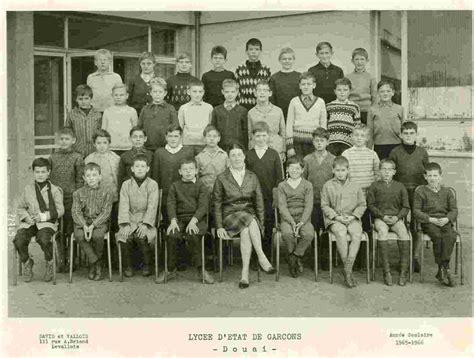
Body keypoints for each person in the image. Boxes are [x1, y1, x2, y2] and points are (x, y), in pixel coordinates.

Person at [213, 143, 276, 289]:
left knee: (247, 230)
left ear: (244, 156)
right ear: (228, 158)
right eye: (233, 155)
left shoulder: (252, 176)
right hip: (230, 216)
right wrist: (219, 226)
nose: (236, 158)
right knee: (250, 220)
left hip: (248, 216)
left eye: (239, 155)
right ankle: (261, 256)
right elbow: (216, 204)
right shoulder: (221, 178)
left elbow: (259, 202)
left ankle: (244, 275)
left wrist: (261, 224)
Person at [160, 159, 214, 284]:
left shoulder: (201, 186)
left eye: (191, 169)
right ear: (180, 171)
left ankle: (201, 270)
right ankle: (171, 269)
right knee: (172, 235)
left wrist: (194, 221)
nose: (188, 172)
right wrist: (173, 221)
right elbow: (171, 204)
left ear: (196, 170)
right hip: (179, 219)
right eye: (185, 169)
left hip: (197, 219)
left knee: (193, 235)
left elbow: (202, 206)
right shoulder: (175, 186)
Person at [13, 158, 64, 282]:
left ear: (48, 172)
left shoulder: (55, 190)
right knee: (19, 240)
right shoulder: (28, 189)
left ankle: (49, 261)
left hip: (47, 223)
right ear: (33, 173)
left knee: (44, 239)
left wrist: (44, 216)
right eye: (37, 172)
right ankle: (27, 262)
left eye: (43, 172)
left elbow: (60, 210)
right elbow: (20, 207)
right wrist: (26, 217)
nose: (40, 175)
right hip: (30, 222)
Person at [389, 121, 429, 272]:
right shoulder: (395, 152)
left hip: (418, 192)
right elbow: (391, 173)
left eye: (412, 133)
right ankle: (403, 258)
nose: (408, 136)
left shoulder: (422, 152)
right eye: (405, 133)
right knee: (402, 225)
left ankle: (415, 258)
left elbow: (427, 174)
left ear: (416, 135)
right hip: (401, 192)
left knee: (416, 226)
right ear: (400, 135)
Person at [321, 156, 366, 288]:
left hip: (352, 218)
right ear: (333, 170)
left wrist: (354, 216)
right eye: (337, 170)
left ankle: (347, 269)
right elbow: (325, 205)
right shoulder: (327, 185)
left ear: (348, 170)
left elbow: (362, 204)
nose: (340, 173)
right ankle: (348, 272)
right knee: (340, 233)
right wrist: (336, 217)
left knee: (356, 234)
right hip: (335, 219)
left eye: (343, 170)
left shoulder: (355, 185)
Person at [413, 162, 458, 287]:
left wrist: (447, 219)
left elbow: (454, 210)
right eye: (430, 176)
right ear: (425, 177)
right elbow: (416, 211)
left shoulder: (447, 192)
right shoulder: (420, 191)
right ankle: (445, 268)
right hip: (429, 222)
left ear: (440, 177)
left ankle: (442, 269)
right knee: (437, 237)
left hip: (444, 221)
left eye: (435, 175)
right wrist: (430, 219)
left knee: (450, 236)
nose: (432, 178)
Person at [367, 159, 410, 286]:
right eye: (384, 169)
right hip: (381, 218)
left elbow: (406, 207)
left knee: (403, 232)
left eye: (390, 169)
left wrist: (397, 217)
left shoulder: (400, 186)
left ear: (394, 172)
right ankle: (387, 272)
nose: (387, 172)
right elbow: (371, 205)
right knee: (382, 232)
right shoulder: (374, 186)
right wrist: (382, 216)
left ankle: (403, 271)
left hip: (396, 218)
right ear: (380, 171)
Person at [245, 121, 284, 260]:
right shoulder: (248, 155)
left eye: (264, 135)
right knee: (253, 226)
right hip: (252, 198)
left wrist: (276, 198)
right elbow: (245, 177)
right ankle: (255, 257)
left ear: (268, 136)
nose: (261, 139)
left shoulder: (274, 154)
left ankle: (267, 256)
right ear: (253, 137)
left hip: (268, 198)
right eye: (258, 136)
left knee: (267, 226)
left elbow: (280, 178)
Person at [117, 154, 159, 278]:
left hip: (145, 220)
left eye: (142, 166)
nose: (140, 169)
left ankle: (147, 264)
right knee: (126, 237)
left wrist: (146, 224)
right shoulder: (126, 185)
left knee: (142, 237)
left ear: (147, 169)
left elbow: (152, 206)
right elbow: (123, 205)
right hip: (129, 219)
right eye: (137, 166)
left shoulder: (152, 184)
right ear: (132, 169)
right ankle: (128, 266)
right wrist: (125, 224)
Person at [50, 127, 84, 272]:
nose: (64, 142)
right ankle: (60, 259)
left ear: (73, 140)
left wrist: (76, 196)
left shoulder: (77, 157)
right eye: (62, 139)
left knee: (70, 229)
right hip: (56, 199)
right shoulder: (53, 157)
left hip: (71, 198)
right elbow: (49, 177)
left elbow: (80, 180)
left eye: (67, 139)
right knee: (57, 229)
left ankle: (72, 259)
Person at [85, 129, 121, 267]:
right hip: (95, 202)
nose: (101, 146)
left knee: (114, 229)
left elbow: (117, 179)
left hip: (113, 199)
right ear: (94, 144)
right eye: (98, 143)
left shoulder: (116, 159)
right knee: (99, 229)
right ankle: (100, 259)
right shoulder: (89, 159)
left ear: (109, 143)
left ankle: (115, 259)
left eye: (104, 143)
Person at [71, 162, 113, 281]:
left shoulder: (107, 192)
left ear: (100, 177)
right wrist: (84, 225)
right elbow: (76, 211)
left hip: (99, 222)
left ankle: (94, 264)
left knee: (98, 235)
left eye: (94, 175)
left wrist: (94, 225)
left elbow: (106, 212)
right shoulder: (78, 193)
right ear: (84, 178)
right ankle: (95, 262)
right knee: (79, 235)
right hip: (82, 222)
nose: (91, 178)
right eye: (88, 175)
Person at [303, 128, 336, 269]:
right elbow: (303, 181)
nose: (319, 143)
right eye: (316, 140)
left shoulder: (333, 159)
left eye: (322, 140)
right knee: (315, 229)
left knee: (328, 229)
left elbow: (336, 182)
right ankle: (315, 258)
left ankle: (327, 258)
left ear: (327, 142)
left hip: (329, 203)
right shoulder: (307, 159)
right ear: (313, 142)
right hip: (313, 201)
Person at [277, 156, 314, 277]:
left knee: (309, 234)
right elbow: (282, 207)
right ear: (287, 169)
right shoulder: (282, 186)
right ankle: (295, 260)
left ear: (302, 170)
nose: (294, 171)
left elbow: (309, 206)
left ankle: (294, 256)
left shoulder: (307, 185)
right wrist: (292, 222)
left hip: (303, 219)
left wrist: (302, 222)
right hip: (288, 218)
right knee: (287, 234)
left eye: (297, 168)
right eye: (291, 168)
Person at [152, 124, 194, 225]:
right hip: (166, 197)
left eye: (176, 136)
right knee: (169, 225)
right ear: (166, 137)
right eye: (170, 136)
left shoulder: (187, 152)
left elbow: (192, 175)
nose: (173, 139)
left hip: (184, 197)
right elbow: (155, 177)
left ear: (181, 137)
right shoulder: (159, 153)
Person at [286, 72, 327, 158]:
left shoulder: (320, 102)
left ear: (314, 85)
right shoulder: (294, 101)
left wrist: (322, 144)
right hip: (297, 144)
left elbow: (323, 125)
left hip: (314, 143)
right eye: (303, 84)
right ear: (300, 86)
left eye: (309, 84)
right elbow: (289, 124)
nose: (306, 86)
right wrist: (290, 146)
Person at [248, 80, 286, 161]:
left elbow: (283, 132)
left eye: (265, 90)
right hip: (258, 150)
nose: (262, 93)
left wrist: (283, 150)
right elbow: (250, 135)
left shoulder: (278, 111)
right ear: (255, 93)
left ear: (270, 93)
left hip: (276, 149)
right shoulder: (251, 113)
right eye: (259, 90)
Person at [138, 77, 179, 152]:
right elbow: (139, 127)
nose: (157, 94)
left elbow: (175, 127)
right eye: (155, 92)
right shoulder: (145, 109)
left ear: (165, 93)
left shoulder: (170, 109)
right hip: (147, 148)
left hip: (165, 148)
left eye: (160, 92)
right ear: (150, 92)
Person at [367, 80, 405, 159]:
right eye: (382, 91)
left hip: (397, 145)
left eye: (388, 91)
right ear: (378, 93)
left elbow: (404, 130)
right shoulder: (372, 110)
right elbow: (369, 132)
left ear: (393, 92)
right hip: (379, 146)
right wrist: (369, 150)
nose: (385, 94)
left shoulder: (399, 109)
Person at [65, 84, 102, 158]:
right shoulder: (71, 114)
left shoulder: (98, 114)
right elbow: (67, 132)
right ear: (76, 99)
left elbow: (100, 133)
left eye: (86, 98)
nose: (83, 101)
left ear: (91, 99)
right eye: (80, 99)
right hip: (77, 152)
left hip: (93, 151)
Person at [211, 79, 248, 151]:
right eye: (227, 92)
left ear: (237, 92)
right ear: (222, 92)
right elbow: (213, 129)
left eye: (232, 92)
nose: (230, 94)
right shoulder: (217, 110)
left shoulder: (243, 111)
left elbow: (245, 133)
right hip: (220, 148)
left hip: (237, 148)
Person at [326, 77, 361, 156]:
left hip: (347, 142)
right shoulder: (329, 106)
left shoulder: (354, 107)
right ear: (335, 91)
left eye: (345, 90)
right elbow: (326, 124)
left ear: (350, 91)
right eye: (339, 90)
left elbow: (357, 126)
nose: (342, 93)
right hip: (332, 142)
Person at [101, 83, 138, 156]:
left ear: (127, 96)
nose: (118, 97)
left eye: (121, 95)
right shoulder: (107, 111)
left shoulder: (132, 111)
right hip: (111, 147)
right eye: (116, 95)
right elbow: (103, 131)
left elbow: (135, 130)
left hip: (128, 147)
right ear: (112, 96)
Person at [235, 38, 271, 110]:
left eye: (257, 49)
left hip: (261, 107)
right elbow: (236, 89)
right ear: (246, 52)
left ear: (260, 51)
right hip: (243, 106)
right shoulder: (240, 69)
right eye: (251, 49)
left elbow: (268, 90)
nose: (254, 52)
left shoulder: (266, 70)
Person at [178, 79, 213, 154]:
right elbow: (180, 127)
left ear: (203, 92)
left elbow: (210, 127)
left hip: (203, 144)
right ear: (188, 92)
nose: (197, 94)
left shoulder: (209, 108)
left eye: (200, 92)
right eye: (194, 91)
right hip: (187, 144)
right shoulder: (183, 108)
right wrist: (180, 144)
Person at [346, 48, 378, 125]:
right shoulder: (347, 77)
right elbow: (345, 95)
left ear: (367, 61)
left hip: (366, 112)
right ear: (352, 61)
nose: (359, 62)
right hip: (351, 111)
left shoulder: (371, 78)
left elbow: (375, 97)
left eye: (362, 59)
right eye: (356, 59)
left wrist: (372, 111)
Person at [269, 47, 301, 120]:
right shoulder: (274, 78)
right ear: (279, 60)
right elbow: (271, 99)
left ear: (294, 60)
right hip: (279, 115)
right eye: (284, 59)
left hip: (297, 115)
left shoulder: (299, 76)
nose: (287, 61)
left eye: (290, 59)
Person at [86, 48, 123, 113]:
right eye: (100, 60)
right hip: (95, 112)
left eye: (105, 60)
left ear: (110, 62)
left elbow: (121, 95)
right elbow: (88, 96)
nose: (102, 62)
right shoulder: (90, 77)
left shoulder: (116, 77)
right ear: (95, 62)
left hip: (112, 112)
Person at [195, 125, 228, 191]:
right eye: (209, 136)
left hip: (221, 189)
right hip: (205, 190)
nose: (212, 139)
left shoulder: (224, 155)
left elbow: (229, 174)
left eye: (214, 136)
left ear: (219, 139)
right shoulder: (199, 157)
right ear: (204, 139)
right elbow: (196, 176)